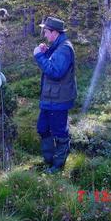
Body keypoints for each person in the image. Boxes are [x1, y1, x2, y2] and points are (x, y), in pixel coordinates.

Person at [33, 16, 77, 174]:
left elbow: (55, 72)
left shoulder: (65, 48)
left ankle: (58, 167)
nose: (44, 34)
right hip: (50, 99)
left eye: (46, 31)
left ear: (54, 32)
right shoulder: (57, 46)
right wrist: (46, 52)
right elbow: (53, 64)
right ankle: (49, 161)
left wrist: (39, 56)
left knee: (59, 132)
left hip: (59, 100)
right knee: (43, 128)